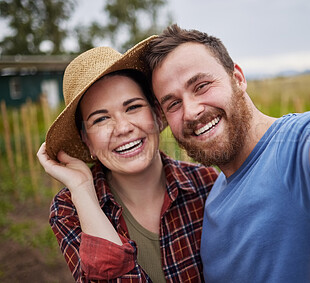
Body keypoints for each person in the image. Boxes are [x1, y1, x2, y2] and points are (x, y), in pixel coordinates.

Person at [143, 6, 310, 282]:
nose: (191, 111)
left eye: (202, 85)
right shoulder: (212, 199)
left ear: (238, 79)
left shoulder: (299, 146)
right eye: (173, 103)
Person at [37, 38, 218, 282]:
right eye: (100, 119)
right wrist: (82, 190)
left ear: (156, 113)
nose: (122, 128)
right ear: (86, 139)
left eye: (132, 107)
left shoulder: (207, 185)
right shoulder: (70, 209)